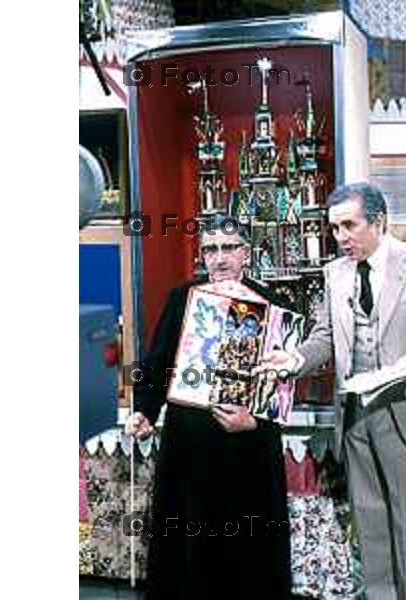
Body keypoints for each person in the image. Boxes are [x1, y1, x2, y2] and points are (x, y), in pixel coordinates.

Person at [258, 183, 406, 600]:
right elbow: (323, 339)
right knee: (369, 532)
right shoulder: (335, 273)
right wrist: (294, 360)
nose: (341, 237)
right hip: (355, 420)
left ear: (379, 221)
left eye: (349, 226)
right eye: (334, 228)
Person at [125, 216, 291, 600]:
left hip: (250, 447)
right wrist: (144, 412)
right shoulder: (182, 297)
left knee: (250, 554)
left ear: (245, 254)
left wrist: (255, 421)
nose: (219, 258)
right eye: (211, 249)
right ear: (203, 255)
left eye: (229, 248)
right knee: (190, 552)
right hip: (191, 447)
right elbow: (155, 363)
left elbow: (283, 386)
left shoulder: (273, 303)